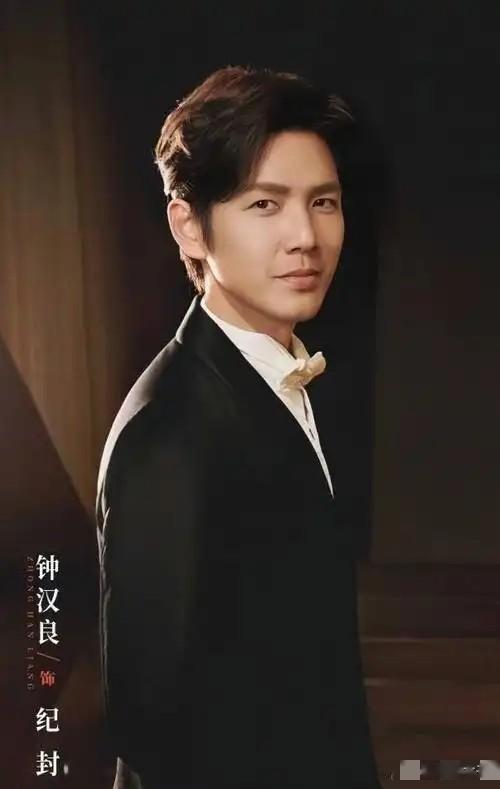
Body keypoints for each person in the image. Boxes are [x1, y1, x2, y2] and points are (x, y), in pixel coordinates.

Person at [96, 64, 381, 788]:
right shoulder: (170, 430)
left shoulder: (278, 376)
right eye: (264, 204)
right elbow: (155, 730)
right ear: (189, 226)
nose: (305, 236)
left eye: (324, 202)